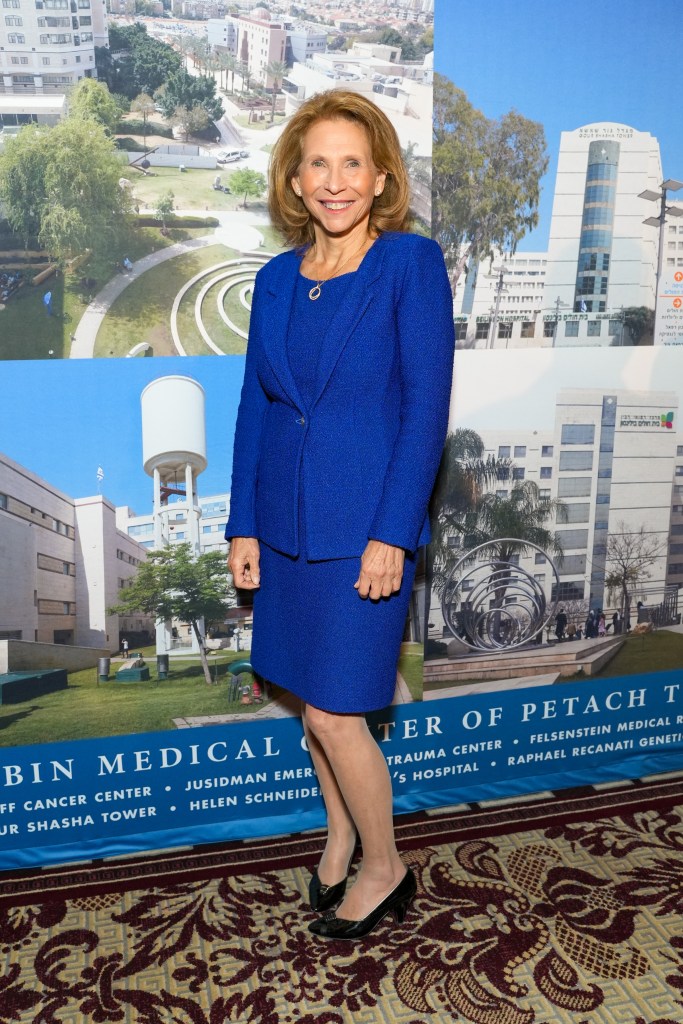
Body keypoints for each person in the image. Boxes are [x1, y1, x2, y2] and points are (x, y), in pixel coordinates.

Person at [226, 91, 454, 942]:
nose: (334, 180)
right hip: (283, 529)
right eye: (316, 162)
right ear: (292, 177)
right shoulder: (275, 279)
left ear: (381, 174)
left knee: (334, 711)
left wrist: (392, 532)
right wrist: (242, 524)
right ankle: (341, 832)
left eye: (351, 162)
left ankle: (386, 865)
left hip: (364, 532)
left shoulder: (409, 265)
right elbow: (256, 406)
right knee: (309, 694)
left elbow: (425, 408)